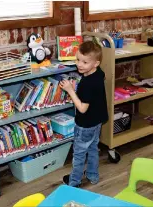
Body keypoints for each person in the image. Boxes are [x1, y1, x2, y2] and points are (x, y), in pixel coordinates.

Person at [59, 41, 108, 187]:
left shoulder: (87, 84)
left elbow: (82, 108)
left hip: (85, 125)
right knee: (93, 149)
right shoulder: (99, 74)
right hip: (97, 121)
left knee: (79, 154)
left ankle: (74, 182)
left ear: (96, 63)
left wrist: (70, 90)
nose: (79, 64)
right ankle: (93, 176)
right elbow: (92, 96)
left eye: (85, 62)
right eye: (78, 59)